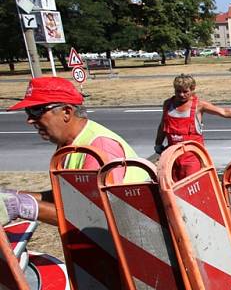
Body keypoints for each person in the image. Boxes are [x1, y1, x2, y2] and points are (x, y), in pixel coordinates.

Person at [6, 76, 147, 226]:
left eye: (36, 111)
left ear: (66, 112)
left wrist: (24, 207)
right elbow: (69, 197)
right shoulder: (69, 143)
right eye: (27, 111)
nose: (30, 120)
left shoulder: (98, 148)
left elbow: (93, 216)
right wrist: (15, 196)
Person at [155, 74, 231, 180]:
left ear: (192, 90)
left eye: (185, 91)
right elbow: (163, 126)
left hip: (192, 157)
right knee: (171, 188)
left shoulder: (199, 105)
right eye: (178, 91)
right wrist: (158, 144)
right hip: (172, 156)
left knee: (192, 186)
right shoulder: (168, 104)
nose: (181, 95)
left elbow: (224, 112)